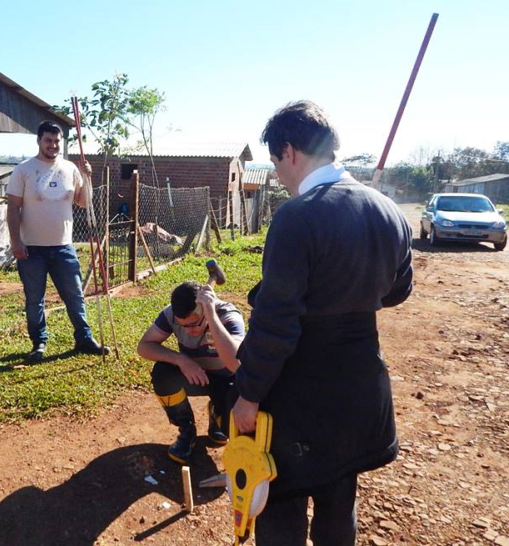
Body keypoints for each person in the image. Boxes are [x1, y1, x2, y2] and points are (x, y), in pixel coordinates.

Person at [230, 101, 413, 545]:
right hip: (360, 386)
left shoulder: (297, 216)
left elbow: (276, 323)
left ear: (289, 152)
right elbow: (397, 291)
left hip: (300, 392)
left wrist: (248, 395)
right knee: (338, 502)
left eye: (276, 164)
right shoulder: (389, 211)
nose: (278, 176)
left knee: (280, 504)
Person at [6, 121, 108, 362]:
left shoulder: (71, 168)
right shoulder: (24, 169)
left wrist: (87, 177)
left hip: (63, 247)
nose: (53, 145)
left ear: (61, 142)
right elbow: (13, 208)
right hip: (31, 248)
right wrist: (16, 242)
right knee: (34, 299)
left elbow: (84, 202)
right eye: (48, 140)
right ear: (39, 141)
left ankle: (84, 339)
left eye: (56, 141)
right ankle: (39, 343)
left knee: (75, 295)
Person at [137, 281, 245, 463]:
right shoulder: (170, 314)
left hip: (226, 378)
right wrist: (181, 359)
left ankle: (217, 413)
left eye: (195, 324)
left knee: (230, 430)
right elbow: (144, 346)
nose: (190, 331)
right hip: (194, 375)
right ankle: (186, 429)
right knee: (162, 373)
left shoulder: (228, 315)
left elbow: (237, 364)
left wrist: (211, 316)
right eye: (183, 326)